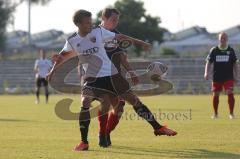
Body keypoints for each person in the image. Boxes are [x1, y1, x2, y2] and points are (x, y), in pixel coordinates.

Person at [47, 9, 177, 151]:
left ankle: (158, 128)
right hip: (92, 78)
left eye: (91, 22)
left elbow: (120, 37)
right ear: (78, 24)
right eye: (87, 23)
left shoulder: (98, 32)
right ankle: (84, 142)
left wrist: (141, 43)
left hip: (111, 75)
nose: (90, 25)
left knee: (133, 100)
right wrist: (52, 72)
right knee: (85, 102)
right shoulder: (72, 40)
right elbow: (61, 57)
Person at [204, 32, 238, 119]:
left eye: (224, 38)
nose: (223, 39)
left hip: (228, 77)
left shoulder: (231, 50)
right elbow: (208, 62)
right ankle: (215, 114)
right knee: (216, 94)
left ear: (227, 39)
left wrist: (237, 75)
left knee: (230, 92)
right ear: (219, 39)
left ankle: (231, 114)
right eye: (221, 38)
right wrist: (206, 72)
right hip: (217, 77)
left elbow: (235, 64)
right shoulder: (214, 50)